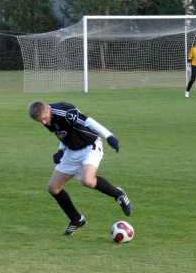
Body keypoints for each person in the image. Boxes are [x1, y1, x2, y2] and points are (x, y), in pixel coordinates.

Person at [27, 101, 132, 236]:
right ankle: (76, 219)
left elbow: (89, 121)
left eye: (45, 119)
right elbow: (64, 133)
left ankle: (119, 195)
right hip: (72, 151)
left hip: (90, 146)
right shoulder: (46, 117)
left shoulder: (66, 112)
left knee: (87, 180)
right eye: (40, 121)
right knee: (53, 188)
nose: (44, 123)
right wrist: (61, 151)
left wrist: (109, 136)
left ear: (48, 108)